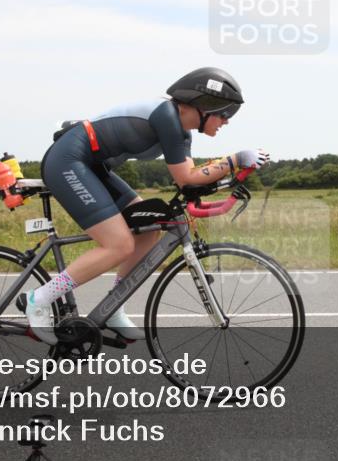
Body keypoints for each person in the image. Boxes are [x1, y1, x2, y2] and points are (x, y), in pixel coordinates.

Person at [23, 67, 270, 344]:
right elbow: (186, 178)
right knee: (119, 245)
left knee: (149, 229)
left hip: (92, 167)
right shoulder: (167, 116)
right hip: (68, 161)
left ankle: (113, 307)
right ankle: (38, 299)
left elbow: (189, 181)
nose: (226, 121)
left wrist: (229, 178)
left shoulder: (181, 132)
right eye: (224, 114)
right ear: (204, 105)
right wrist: (234, 160)